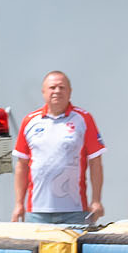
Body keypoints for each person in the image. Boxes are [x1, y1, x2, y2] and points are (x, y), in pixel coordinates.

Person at [11, 71, 103, 225]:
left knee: (76, 250)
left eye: (62, 87)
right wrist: (19, 204)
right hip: (37, 212)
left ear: (70, 92)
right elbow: (22, 165)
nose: (57, 91)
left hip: (75, 211)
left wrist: (96, 200)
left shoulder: (83, 119)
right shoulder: (30, 121)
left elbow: (95, 163)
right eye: (52, 87)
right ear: (43, 92)